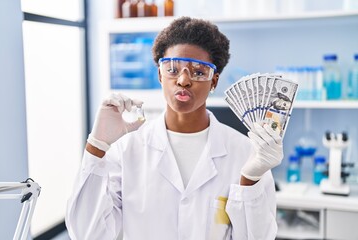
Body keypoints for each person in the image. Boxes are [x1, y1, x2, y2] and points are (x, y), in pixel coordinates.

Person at [66, 16, 283, 240]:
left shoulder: (244, 153)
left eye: (199, 72)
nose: (183, 80)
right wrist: (96, 146)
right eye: (172, 69)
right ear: (160, 74)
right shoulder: (126, 150)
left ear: (214, 81)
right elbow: (87, 234)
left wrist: (249, 181)